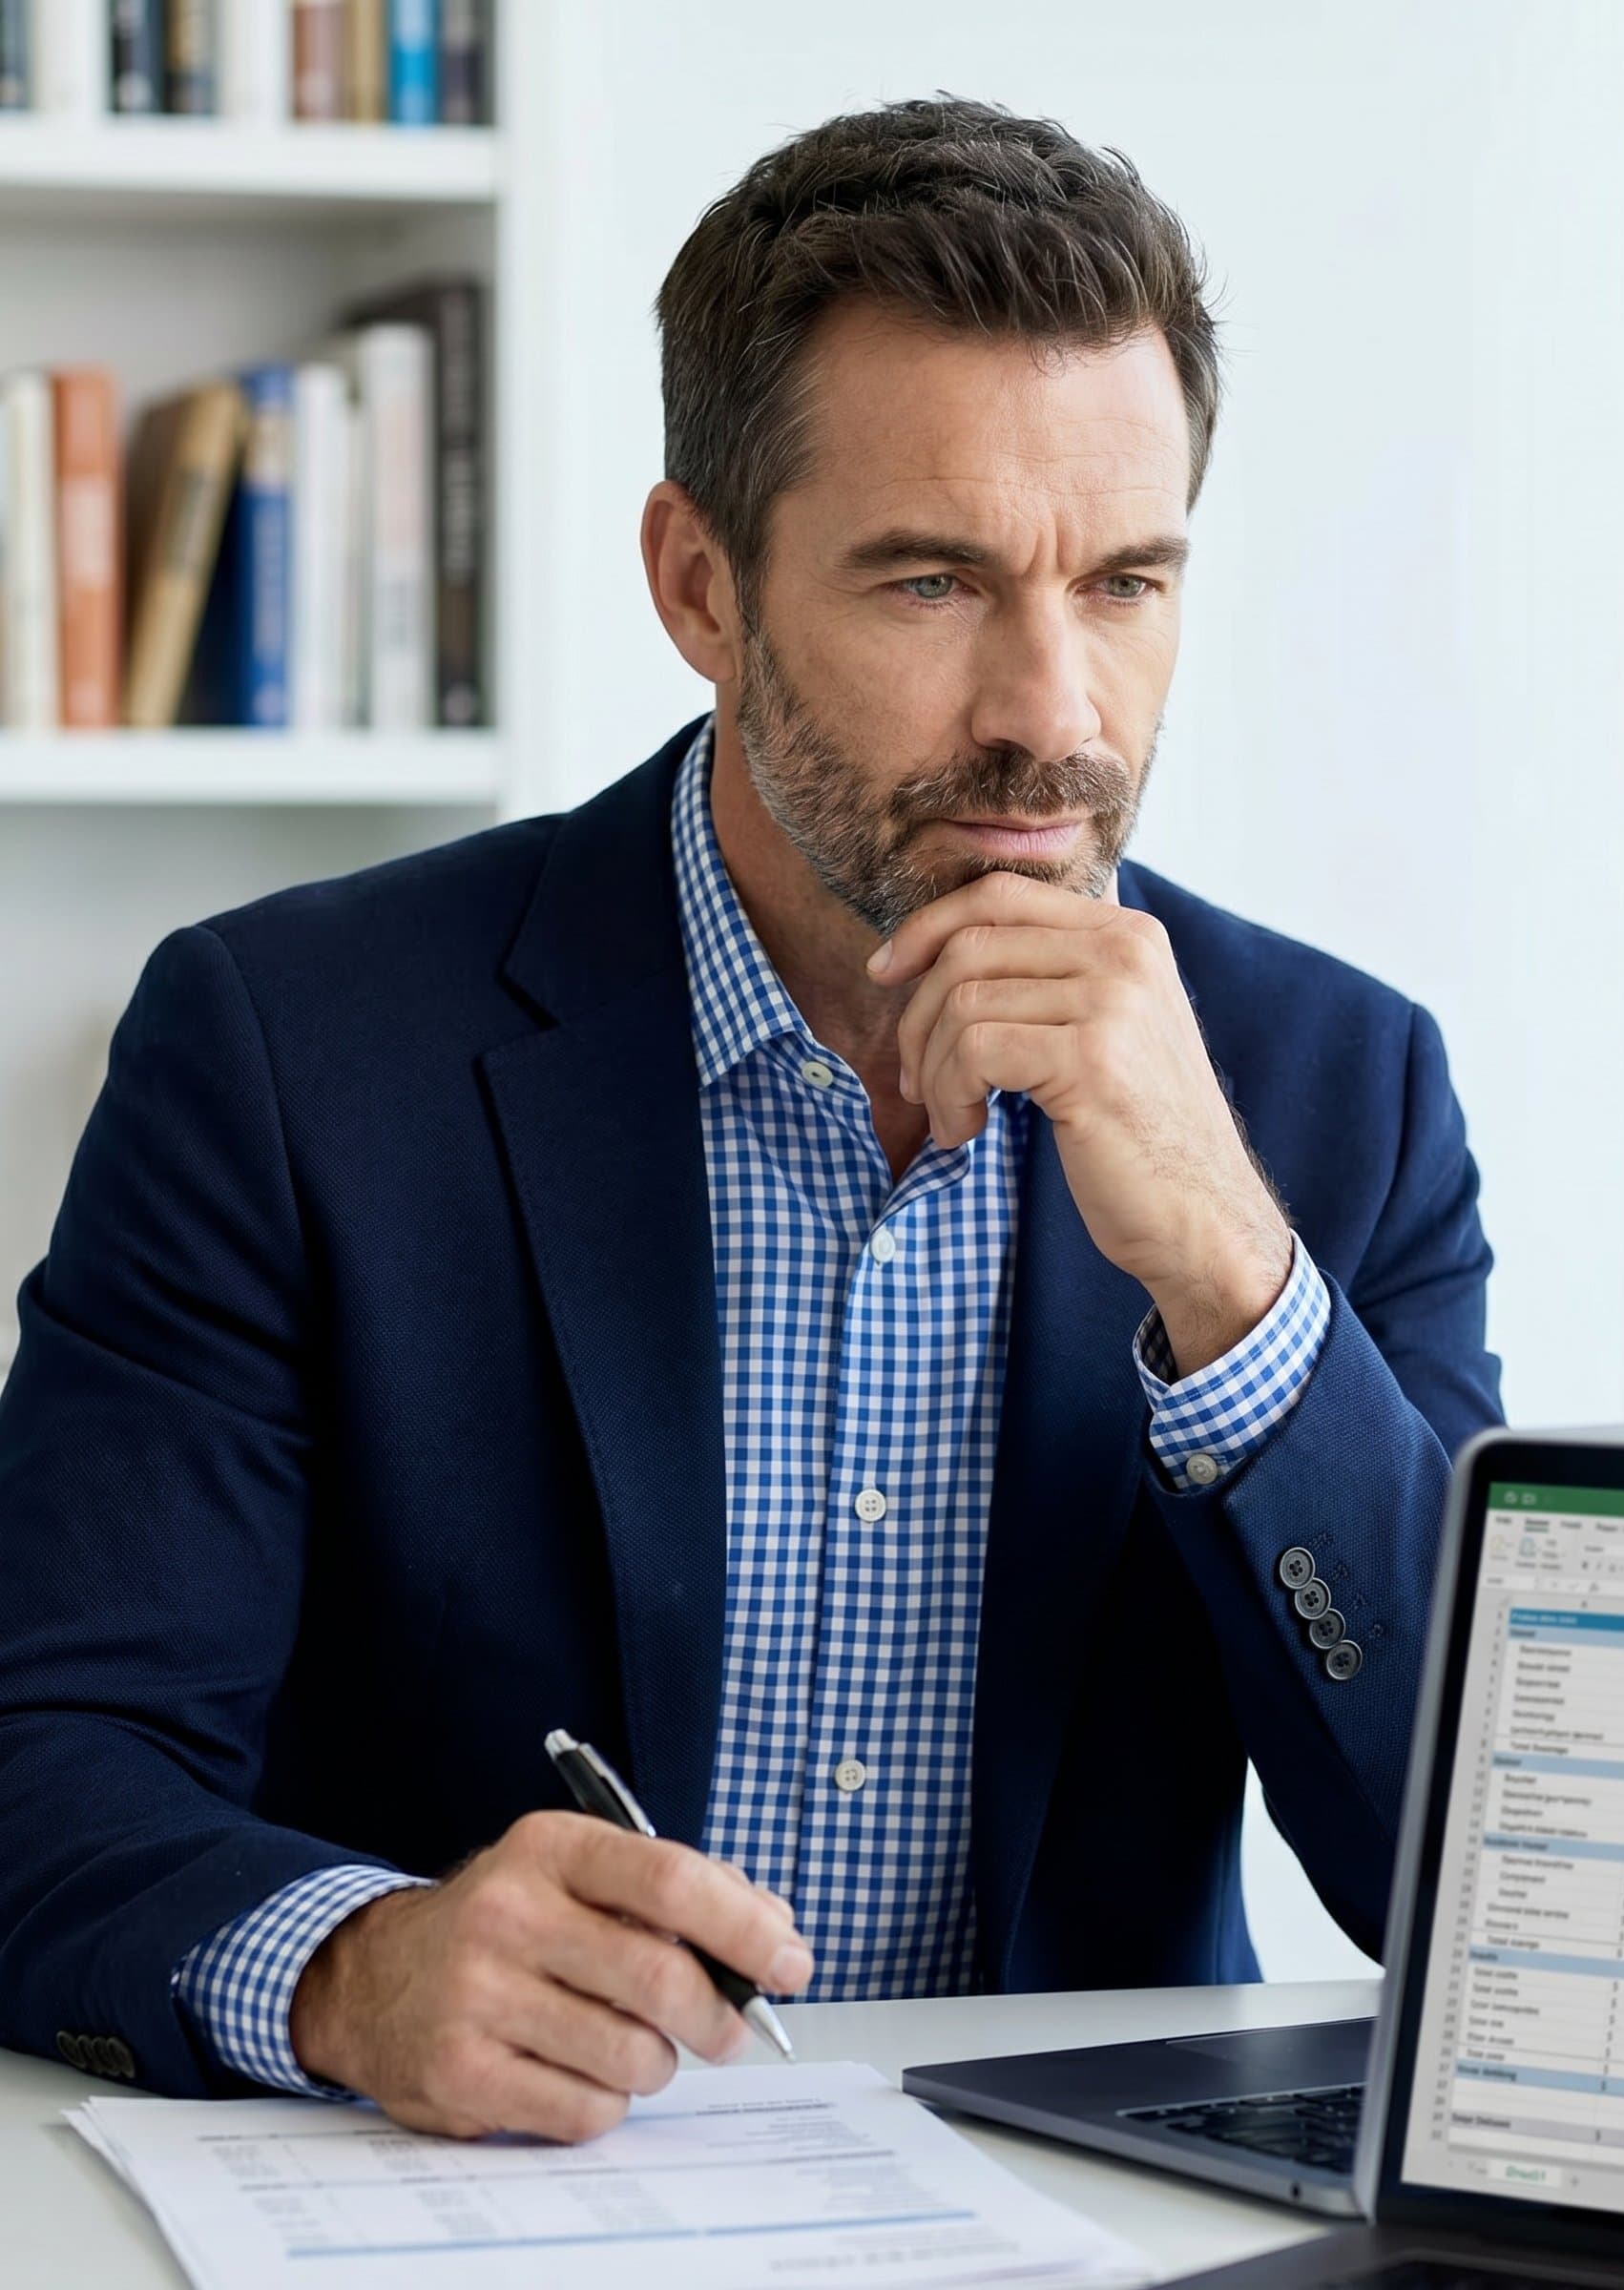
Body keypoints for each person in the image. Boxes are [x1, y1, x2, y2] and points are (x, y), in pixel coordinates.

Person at [0, 94, 1504, 2144]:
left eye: (1126, 583)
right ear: (698, 584)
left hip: (1087, 2237)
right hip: (477, 2220)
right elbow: (47, 1760)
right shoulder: (285, 1050)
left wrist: (1237, 1296)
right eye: (929, 582)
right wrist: (352, 1969)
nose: (1049, 713)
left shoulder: (1333, 1093)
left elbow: (1490, 1896)